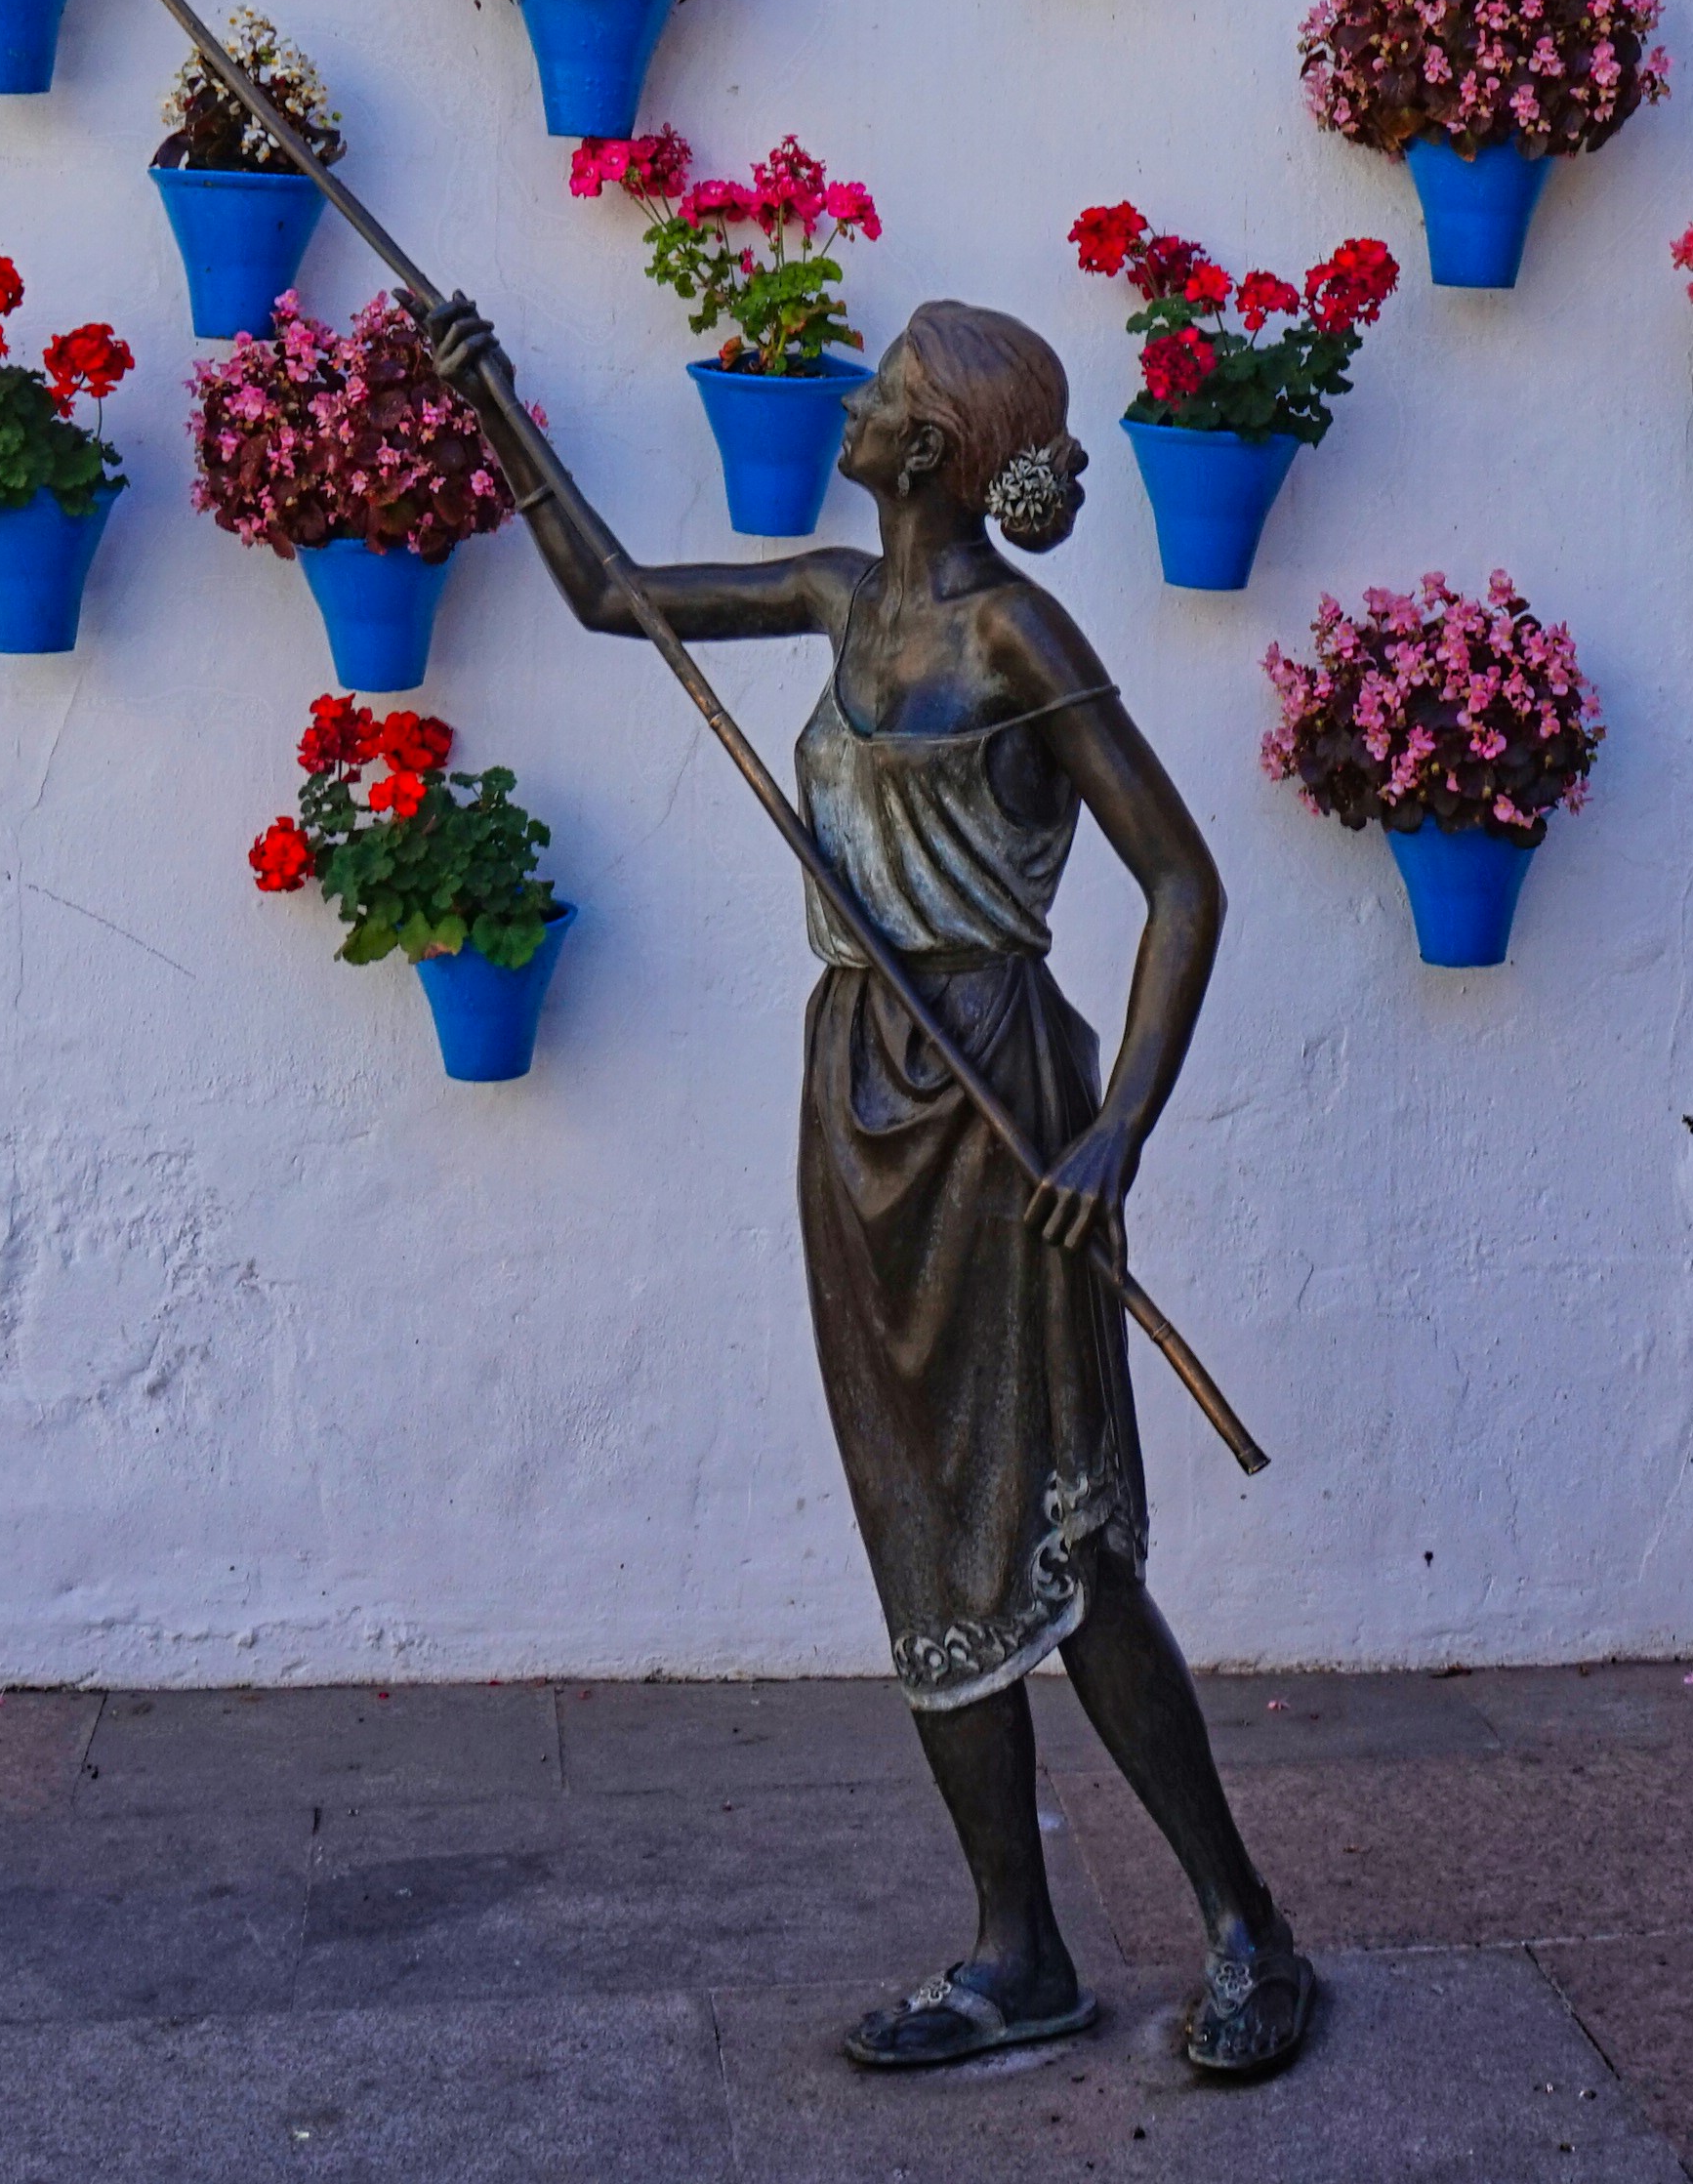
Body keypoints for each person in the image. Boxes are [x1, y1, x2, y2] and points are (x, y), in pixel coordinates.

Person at [430, 293, 1313, 2081]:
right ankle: (1017, 1951)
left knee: (1064, 1534)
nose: (857, 397)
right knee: (923, 1529)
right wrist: (497, 413)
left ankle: (1248, 1930)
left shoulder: (1017, 640)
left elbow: (1186, 887)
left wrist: (1118, 1126)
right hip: (858, 1094)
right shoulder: (841, 599)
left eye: (889, 387)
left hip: (1002, 1097)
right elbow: (618, 601)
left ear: (935, 447)